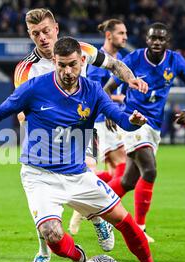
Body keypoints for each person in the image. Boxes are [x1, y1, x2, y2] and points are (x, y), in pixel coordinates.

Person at [0, 37, 171, 262]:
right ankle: (80, 258)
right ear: (54, 62)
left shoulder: (93, 91)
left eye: (73, 65)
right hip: (40, 176)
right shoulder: (34, 87)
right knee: (51, 234)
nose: (68, 71)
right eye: (62, 65)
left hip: (79, 175)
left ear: (81, 61)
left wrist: (132, 121)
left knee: (125, 221)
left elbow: (118, 117)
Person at [13, 8, 148, 262]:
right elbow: (19, 111)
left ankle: (96, 218)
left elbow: (114, 65)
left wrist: (130, 79)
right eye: (35, 33)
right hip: (44, 140)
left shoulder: (80, 50)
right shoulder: (26, 69)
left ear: (56, 29)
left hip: (81, 132)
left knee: (81, 175)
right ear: (30, 35)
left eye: (46, 31)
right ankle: (44, 251)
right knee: (44, 198)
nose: (42, 37)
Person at [103, 22, 185, 242]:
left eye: (161, 39)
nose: (156, 42)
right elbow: (107, 89)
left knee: (128, 181)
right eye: (153, 38)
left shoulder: (175, 61)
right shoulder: (134, 60)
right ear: (147, 40)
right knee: (150, 170)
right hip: (133, 121)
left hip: (154, 126)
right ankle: (140, 228)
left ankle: (96, 209)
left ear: (167, 42)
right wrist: (109, 112)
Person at [69, 19, 128, 235]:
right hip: (96, 123)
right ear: (109, 35)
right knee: (119, 167)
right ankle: (93, 214)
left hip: (108, 121)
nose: (125, 37)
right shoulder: (94, 59)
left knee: (114, 171)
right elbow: (94, 92)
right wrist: (113, 101)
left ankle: (97, 215)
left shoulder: (118, 60)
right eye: (121, 33)